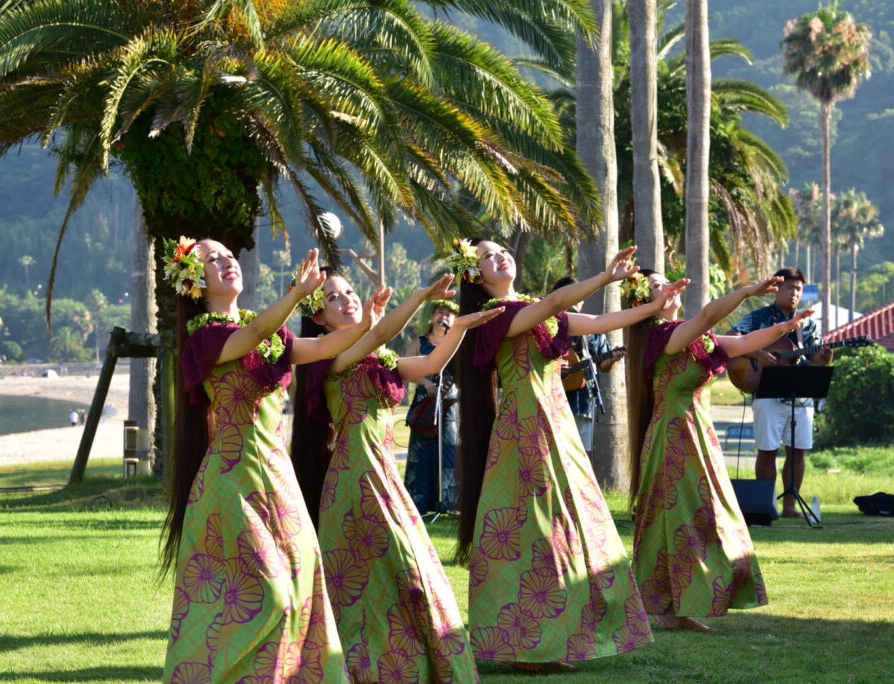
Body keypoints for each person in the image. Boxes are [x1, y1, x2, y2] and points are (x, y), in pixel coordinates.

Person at [451, 239, 687, 670]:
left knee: (570, 525)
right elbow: (559, 299)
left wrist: (652, 310)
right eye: (487, 256)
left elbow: (597, 321)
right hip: (525, 427)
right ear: (476, 277)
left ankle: (556, 632)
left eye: (502, 249)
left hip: (556, 425)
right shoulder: (495, 316)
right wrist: (606, 277)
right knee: (536, 533)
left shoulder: (527, 308)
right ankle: (525, 643)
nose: (499, 255)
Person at [160, 236, 372, 682]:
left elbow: (322, 348)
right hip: (231, 485)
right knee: (269, 596)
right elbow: (252, 336)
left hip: (278, 479)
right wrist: (296, 294)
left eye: (228, 256)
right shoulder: (205, 338)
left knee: (298, 590)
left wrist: (369, 322)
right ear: (194, 282)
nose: (225, 262)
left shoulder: (269, 330)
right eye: (211, 260)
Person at [291, 271, 499, 684]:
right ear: (319, 319)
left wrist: (457, 327)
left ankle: (407, 667)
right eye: (333, 298)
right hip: (355, 481)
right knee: (376, 581)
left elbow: (431, 363)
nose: (346, 298)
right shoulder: (327, 361)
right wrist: (420, 296)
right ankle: (366, 669)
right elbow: (378, 331)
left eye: (349, 291)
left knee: (409, 571)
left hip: (382, 477)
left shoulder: (376, 356)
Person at [624, 269, 812, 631]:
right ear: (643, 305)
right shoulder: (663, 337)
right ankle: (662, 605)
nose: (669, 287)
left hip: (697, 433)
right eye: (657, 287)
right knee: (676, 520)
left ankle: (681, 604)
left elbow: (744, 343)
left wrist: (787, 328)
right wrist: (749, 291)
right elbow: (708, 315)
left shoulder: (697, 338)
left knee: (704, 517)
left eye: (667, 281)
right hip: (673, 435)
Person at [729, 267, 833, 517]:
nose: (794, 293)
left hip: (801, 395)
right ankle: (766, 505)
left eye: (798, 289)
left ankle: (789, 507)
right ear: (777, 290)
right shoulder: (759, 318)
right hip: (767, 395)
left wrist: (824, 358)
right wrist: (757, 353)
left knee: (798, 451)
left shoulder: (808, 323)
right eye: (790, 287)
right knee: (767, 451)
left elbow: (815, 358)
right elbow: (731, 337)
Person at [550, 276, 626, 455]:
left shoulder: (592, 329)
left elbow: (604, 366)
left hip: (584, 402)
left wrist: (613, 358)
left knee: (581, 454)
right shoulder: (550, 326)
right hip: (554, 401)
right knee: (557, 452)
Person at [403, 300, 460, 514]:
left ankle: (449, 502)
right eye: (439, 312)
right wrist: (425, 382)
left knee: (449, 450)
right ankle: (420, 503)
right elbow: (403, 367)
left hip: (451, 405)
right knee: (424, 454)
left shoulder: (457, 343)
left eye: (447, 313)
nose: (442, 317)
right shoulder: (419, 342)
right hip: (424, 406)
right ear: (432, 315)